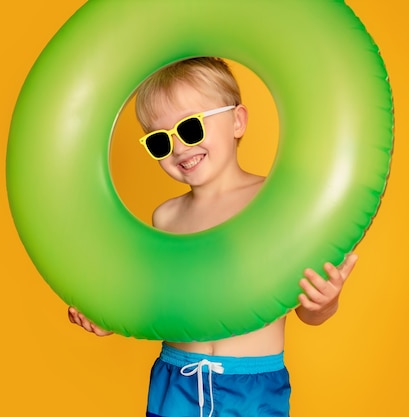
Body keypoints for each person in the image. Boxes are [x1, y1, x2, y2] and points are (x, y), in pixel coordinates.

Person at [68, 57, 358, 417]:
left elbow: (308, 312)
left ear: (237, 121)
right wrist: (111, 317)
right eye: (160, 141)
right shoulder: (167, 216)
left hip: (252, 389)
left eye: (190, 128)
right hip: (174, 382)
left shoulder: (275, 202)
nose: (178, 148)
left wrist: (324, 302)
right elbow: (158, 300)